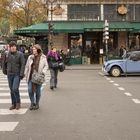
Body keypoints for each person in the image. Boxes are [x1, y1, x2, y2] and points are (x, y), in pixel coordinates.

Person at [2, 41, 25, 110]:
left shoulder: (20, 54)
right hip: (9, 74)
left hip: (17, 74)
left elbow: (23, 64)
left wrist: (21, 74)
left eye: (14, 46)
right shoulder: (6, 54)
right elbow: (4, 63)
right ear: (9, 47)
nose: (13, 47)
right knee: (11, 90)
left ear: (16, 47)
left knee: (15, 88)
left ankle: (18, 102)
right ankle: (13, 104)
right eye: (11, 46)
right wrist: (4, 71)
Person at [24, 44, 48, 110]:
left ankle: (37, 103)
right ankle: (32, 103)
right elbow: (27, 66)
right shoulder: (30, 57)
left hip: (38, 76)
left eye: (34, 49)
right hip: (30, 76)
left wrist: (43, 72)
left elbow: (46, 66)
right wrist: (25, 74)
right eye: (33, 49)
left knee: (38, 91)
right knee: (30, 90)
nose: (33, 50)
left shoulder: (43, 57)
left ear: (38, 49)